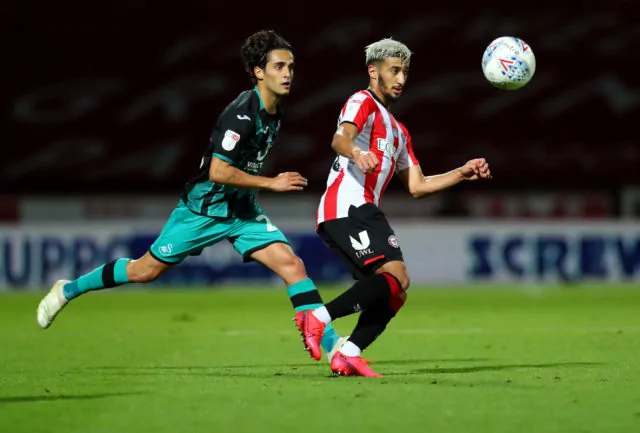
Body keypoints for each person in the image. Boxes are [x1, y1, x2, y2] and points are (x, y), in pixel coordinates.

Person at [36, 29, 342, 359]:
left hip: (241, 211)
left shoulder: (274, 111)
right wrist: (271, 183)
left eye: (291, 67)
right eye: (279, 66)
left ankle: (334, 348)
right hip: (204, 210)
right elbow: (218, 172)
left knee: (292, 265)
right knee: (144, 271)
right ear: (258, 71)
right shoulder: (240, 114)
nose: (287, 73)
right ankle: (67, 290)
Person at [294, 38, 492, 377]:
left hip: (362, 209)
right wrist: (358, 152)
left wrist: (461, 173)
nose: (401, 79)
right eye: (394, 71)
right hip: (347, 205)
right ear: (373, 72)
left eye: (405, 72)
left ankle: (348, 354)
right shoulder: (362, 101)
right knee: (396, 276)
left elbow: (418, 186)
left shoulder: (399, 132)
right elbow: (340, 138)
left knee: (397, 291)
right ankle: (318, 317)